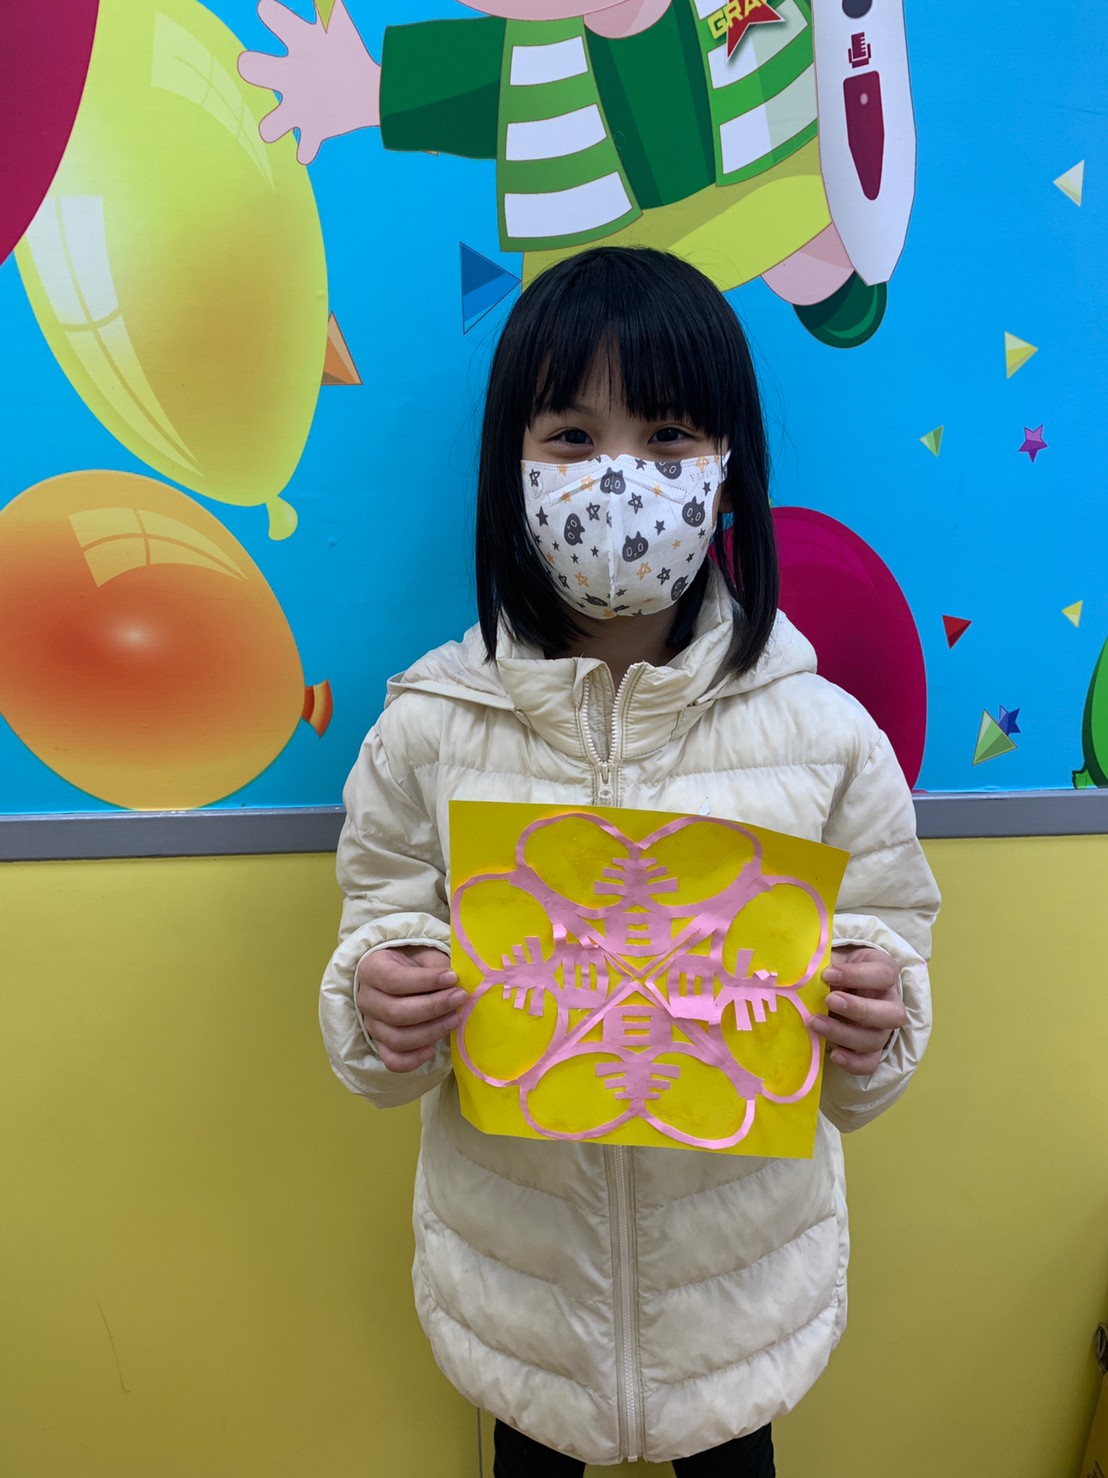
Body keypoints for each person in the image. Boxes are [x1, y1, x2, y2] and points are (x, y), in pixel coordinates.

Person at [319, 246, 940, 1476]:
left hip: (740, 1297)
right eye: (570, 434)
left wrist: (877, 1012)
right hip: (520, 1291)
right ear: (509, 468)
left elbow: (886, 946)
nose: (619, 478)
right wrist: (379, 1004)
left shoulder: (824, 734)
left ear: (726, 467)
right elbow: (376, 934)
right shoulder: (428, 728)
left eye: (666, 436)